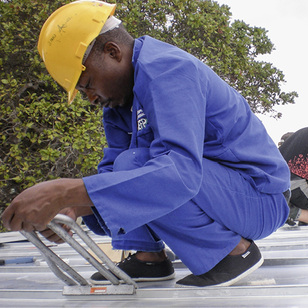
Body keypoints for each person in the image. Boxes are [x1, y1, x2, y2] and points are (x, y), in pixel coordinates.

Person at [0, 0, 291, 288]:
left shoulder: (167, 70)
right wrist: (74, 209)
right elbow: (112, 176)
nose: (90, 97)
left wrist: (64, 192)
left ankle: (233, 252)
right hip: (222, 195)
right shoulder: (117, 107)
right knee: (124, 167)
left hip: (260, 199)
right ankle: (148, 257)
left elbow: (180, 172)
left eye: (87, 83)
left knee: (138, 164)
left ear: (113, 52)